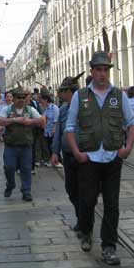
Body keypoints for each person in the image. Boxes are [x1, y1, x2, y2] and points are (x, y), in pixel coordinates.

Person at [65, 51, 134, 265]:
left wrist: (128, 147)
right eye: (98, 70)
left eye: (105, 70)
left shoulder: (119, 95)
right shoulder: (80, 96)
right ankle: (86, 231)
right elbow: (70, 127)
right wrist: (77, 152)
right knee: (87, 201)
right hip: (88, 158)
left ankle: (109, 246)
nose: (102, 74)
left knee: (112, 203)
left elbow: (132, 123)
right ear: (92, 72)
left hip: (112, 157)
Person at [0, 87, 45, 201]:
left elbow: (42, 121)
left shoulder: (30, 110)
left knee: (26, 169)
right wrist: (13, 120)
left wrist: (31, 121)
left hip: (26, 146)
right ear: (13, 99)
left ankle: (26, 191)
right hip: (10, 146)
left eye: (23, 97)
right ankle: (11, 184)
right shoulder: (7, 109)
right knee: (9, 167)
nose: (21, 100)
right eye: (19, 97)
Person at [51, 73, 83, 234]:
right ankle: (81, 216)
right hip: (67, 155)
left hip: (84, 155)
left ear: (69, 91)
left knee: (84, 190)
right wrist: (55, 151)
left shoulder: (85, 106)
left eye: (62, 91)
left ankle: (83, 221)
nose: (60, 95)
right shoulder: (63, 109)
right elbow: (58, 132)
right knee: (71, 189)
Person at [40, 91, 58, 167]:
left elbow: (56, 120)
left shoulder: (54, 108)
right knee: (48, 146)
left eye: (42, 100)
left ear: (46, 100)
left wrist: (54, 129)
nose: (41, 102)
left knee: (53, 146)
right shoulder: (45, 109)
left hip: (52, 131)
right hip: (46, 131)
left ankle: (56, 162)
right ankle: (50, 161)